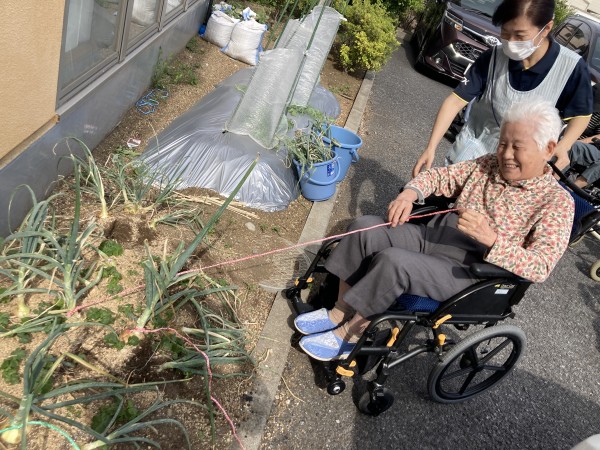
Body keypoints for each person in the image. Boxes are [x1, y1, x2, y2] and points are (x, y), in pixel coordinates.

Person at [295, 100, 574, 361]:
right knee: (365, 228)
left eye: (517, 147)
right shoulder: (489, 163)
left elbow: (541, 266)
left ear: (548, 149)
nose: (506, 154)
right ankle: (339, 312)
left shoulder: (557, 202)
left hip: (469, 269)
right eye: (503, 143)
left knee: (395, 262)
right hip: (434, 235)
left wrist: (492, 240)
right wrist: (410, 193)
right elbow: (440, 176)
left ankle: (350, 336)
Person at [412, 0, 593, 178]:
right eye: (505, 33)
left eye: (520, 36)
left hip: (521, 169)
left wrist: (564, 145)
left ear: (546, 28)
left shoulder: (571, 68)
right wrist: (431, 147)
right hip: (473, 156)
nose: (511, 42)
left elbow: (581, 115)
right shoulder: (493, 57)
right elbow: (455, 101)